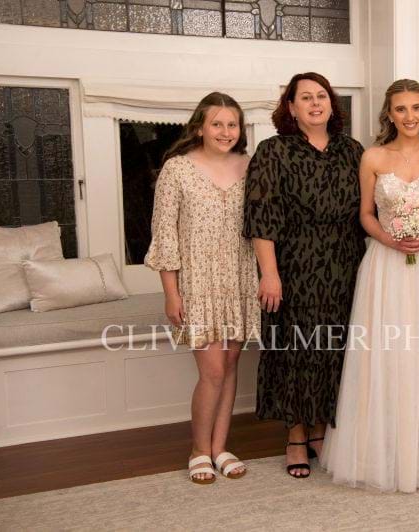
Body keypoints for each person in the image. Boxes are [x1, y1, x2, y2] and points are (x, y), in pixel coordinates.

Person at [321, 79, 419, 492]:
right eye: (401, 109)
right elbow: (365, 214)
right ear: (389, 115)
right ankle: (380, 453)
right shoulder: (373, 157)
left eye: (416, 107)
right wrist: (391, 239)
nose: (410, 116)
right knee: (386, 351)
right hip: (385, 264)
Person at [243, 72, 367, 479]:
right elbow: (261, 218)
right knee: (296, 351)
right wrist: (269, 274)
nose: (316, 103)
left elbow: (371, 209)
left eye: (322, 96)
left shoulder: (353, 151)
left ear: (332, 104)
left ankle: (320, 431)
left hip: (346, 265)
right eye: (306, 97)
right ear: (291, 108)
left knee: (333, 351)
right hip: (294, 266)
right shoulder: (273, 151)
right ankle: (295, 436)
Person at [145, 92, 260, 484]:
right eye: (217, 124)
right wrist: (171, 293)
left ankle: (220, 448)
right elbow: (164, 236)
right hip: (197, 282)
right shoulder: (177, 169)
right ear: (200, 127)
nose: (226, 132)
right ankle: (198, 450)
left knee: (229, 366)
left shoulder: (251, 166)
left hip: (241, 278)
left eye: (232, 124)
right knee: (211, 370)